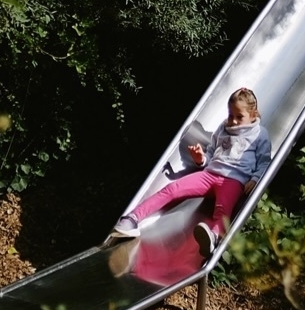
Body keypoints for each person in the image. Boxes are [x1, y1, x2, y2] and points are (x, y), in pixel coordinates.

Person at [109, 87, 272, 257]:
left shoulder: (260, 134)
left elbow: (264, 161)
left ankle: (213, 237)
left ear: (253, 115)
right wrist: (200, 158)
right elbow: (211, 152)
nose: (234, 121)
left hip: (233, 179)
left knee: (223, 211)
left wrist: (255, 179)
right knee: (173, 188)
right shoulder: (223, 128)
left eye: (240, 117)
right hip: (210, 174)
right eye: (231, 115)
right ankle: (132, 219)